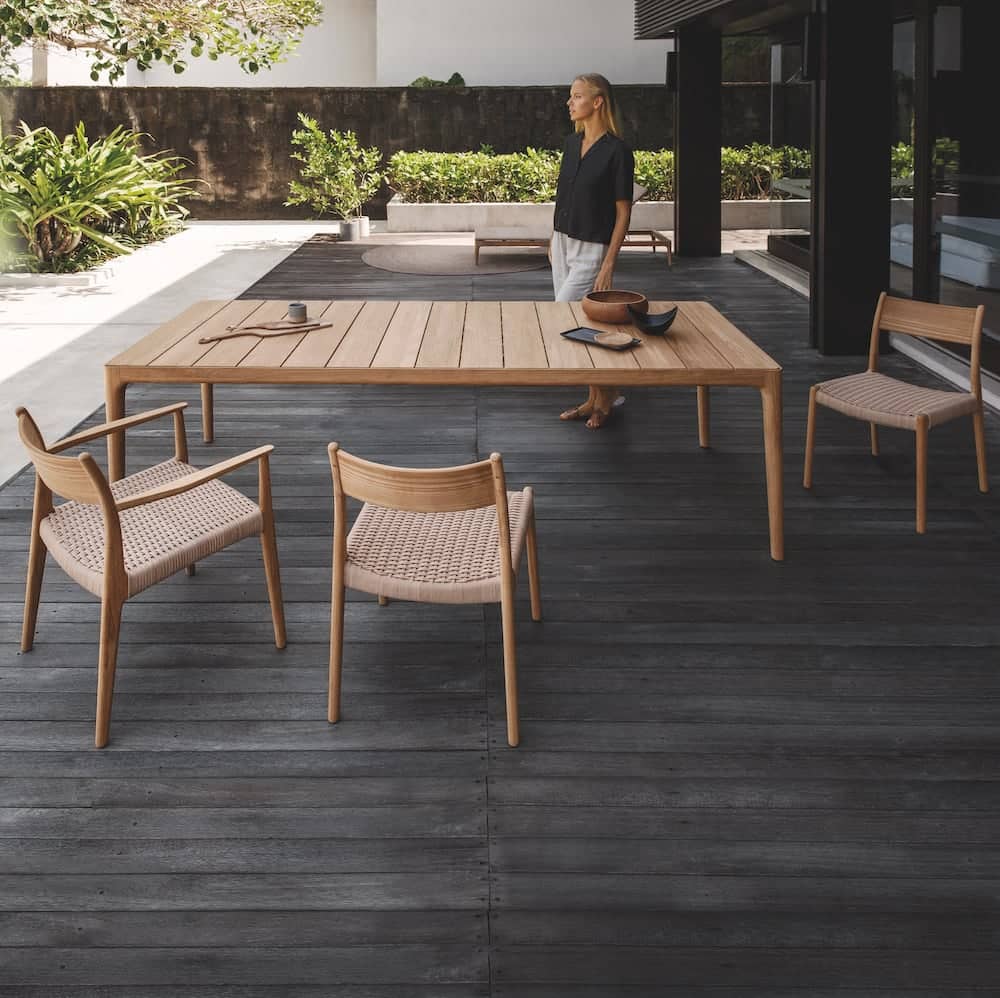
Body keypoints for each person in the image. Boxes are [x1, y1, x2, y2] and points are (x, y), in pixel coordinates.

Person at [552, 73, 635, 430]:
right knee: (581, 324)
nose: (570, 103)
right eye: (571, 97)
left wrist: (609, 262)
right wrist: (551, 240)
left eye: (577, 96)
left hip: (592, 248)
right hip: (561, 241)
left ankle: (610, 392)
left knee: (564, 316)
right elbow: (564, 196)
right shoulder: (571, 144)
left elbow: (623, 211)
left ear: (597, 101)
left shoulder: (618, 151)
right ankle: (594, 399)